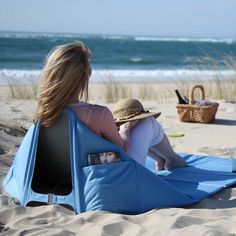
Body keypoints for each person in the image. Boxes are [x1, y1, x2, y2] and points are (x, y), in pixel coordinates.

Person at [34, 41, 186, 170]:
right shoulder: (98, 114)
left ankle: (161, 160)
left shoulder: (44, 114)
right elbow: (123, 149)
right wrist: (125, 129)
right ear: (82, 79)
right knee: (147, 121)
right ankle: (172, 159)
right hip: (114, 176)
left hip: (70, 177)